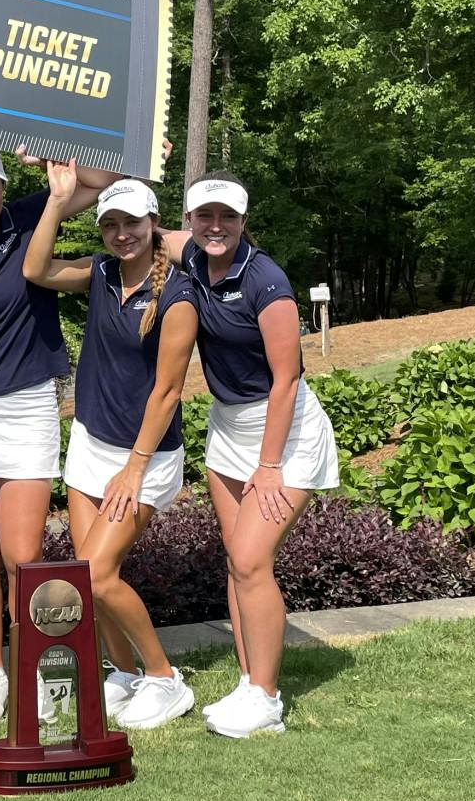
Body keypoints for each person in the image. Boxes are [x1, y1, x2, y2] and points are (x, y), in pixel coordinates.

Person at [0, 146, 127, 724]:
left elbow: (100, 179)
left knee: (24, 555)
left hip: (28, 405)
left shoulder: (29, 216)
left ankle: (31, 664)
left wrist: (50, 164)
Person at [22, 166, 201, 730]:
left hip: (143, 457)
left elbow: (168, 392)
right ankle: (121, 673)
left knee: (97, 576)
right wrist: (55, 202)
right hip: (92, 445)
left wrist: (133, 470)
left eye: (133, 223)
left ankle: (164, 678)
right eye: (112, 224)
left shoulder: (177, 296)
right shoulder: (101, 272)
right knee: (85, 576)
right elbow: (36, 269)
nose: (122, 234)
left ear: (154, 224)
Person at [170, 172, 340, 738]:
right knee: (236, 563)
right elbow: (136, 229)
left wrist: (270, 465)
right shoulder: (193, 255)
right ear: (190, 219)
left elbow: (287, 379)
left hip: (283, 433)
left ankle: (266, 701)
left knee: (249, 560)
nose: (215, 227)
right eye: (204, 216)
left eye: (227, 218)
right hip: (227, 427)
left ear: (244, 221)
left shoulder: (267, 281)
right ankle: (248, 682)